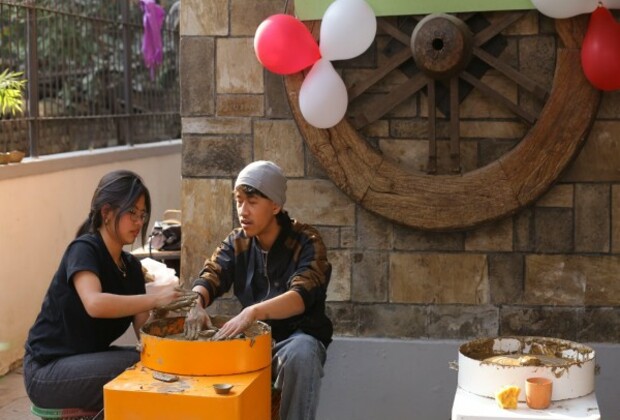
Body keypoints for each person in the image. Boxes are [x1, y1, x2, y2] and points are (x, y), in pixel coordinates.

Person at [23, 170, 184, 412]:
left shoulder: (130, 266)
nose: (139, 222)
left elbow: (145, 335)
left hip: (81, 364)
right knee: (136, 366)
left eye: (142, 215)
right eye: (132, 213)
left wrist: (180, 334)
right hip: (46, 372)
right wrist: (153, 299)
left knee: (154, 364)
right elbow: (94, 303)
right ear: (106, 213)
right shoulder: (84, 250)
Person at [184, 160, 333, 420]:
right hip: (252, 341)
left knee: (303, 353)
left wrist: (252, 312)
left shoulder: (306, 241)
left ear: (275, 205)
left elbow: (301, 296)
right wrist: (196, 303)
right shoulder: (237, 241)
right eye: (239, 201)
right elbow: (213, 274)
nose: (243, 211)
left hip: (294, 339)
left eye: (252, 202)